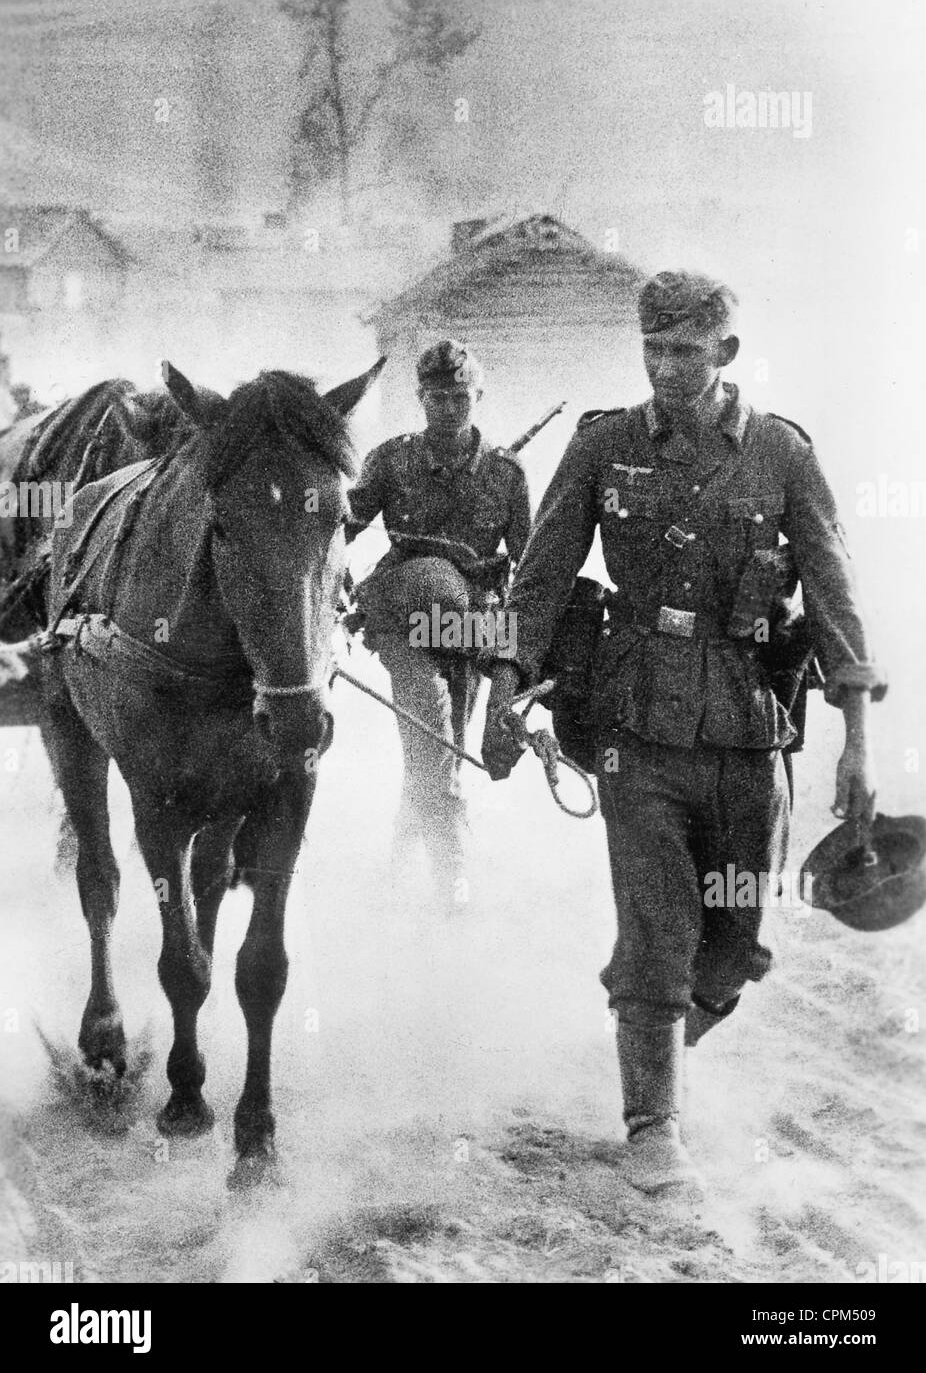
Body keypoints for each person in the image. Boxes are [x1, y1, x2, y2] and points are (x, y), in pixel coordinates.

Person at [481, 271, 886, 1195]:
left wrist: (858, 740)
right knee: (658, 924)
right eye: (652, 351)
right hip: (633, 722)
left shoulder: (782, 455)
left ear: (726, 355)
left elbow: (834, 598)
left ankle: (660, 1031)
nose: (665, 368)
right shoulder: (603, 446)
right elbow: (540, 578)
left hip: (748, 723)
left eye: (685, 352)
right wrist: (505, 685)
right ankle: (652, 1123)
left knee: (736, 939)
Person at [346, 339, 531, 908]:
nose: (447, 409)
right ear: (420, 398)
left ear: (478, 396)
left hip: (470, 628)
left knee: (434, 745)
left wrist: (512, 652)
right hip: (406, 620)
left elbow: (528, 567)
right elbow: (340, 530)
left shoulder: (506, 474)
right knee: (433, 731)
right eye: (435, 398)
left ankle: (401, 860)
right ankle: (451, 881)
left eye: (459, 398)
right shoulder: (391, 459)